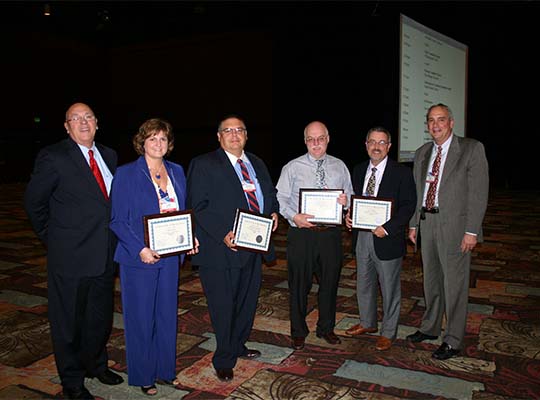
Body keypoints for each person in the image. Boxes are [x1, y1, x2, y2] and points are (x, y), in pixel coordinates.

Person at [24, 102, 123, 400]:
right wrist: (53, 239)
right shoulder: (53, 156)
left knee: (99, 317)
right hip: (70, 256)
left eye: (88, 117)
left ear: (97, 123)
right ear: (66, 127)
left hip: (105, 253)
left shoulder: (109, 155)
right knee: (68, 321)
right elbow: (34, 203)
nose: (83, 122)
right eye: (75, 119)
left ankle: (96, 364)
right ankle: (72, 380)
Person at [186, 114, 279, 382]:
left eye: (239, 130)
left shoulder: (257, 163)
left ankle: (237, 345)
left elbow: (269, 195)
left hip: (253, 246)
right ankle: (224, 358)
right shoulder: (203, 164)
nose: (234, 134)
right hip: (221, 250)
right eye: (228, 130)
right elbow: (198, 206)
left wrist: (273, 213)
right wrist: (222, 233)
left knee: (247, 302)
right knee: (223, 305)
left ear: (246, 135)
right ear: (219, 136)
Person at [110, 119, 199, 395]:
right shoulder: (126, 174)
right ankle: (143, 374)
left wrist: (190, 237)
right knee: (140, 318)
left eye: (163, 139)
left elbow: (182, 211)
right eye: (152, 139)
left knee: (166, 315)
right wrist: (141, 249)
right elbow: (118, 221)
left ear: (169, 143)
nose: (158, 143)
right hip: (139, 257)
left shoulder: (177, 171)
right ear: (142, 142)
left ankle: (164, 371)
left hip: (170, 256)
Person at [406, 103, 489, 360]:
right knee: (431, 280)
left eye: (441, 119)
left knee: (455, 285)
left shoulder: (471, 149)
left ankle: (453, 339)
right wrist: (413, 223)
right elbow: (417, 192)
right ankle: (430, 328)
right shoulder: (421, 153)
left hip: (456, 227)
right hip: (427, 223)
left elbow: (478, 193)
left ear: (451, 122)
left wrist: (472, 231)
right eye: (431, 120)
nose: (436, 124)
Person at [276, 121, 353, 350]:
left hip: (330, 235)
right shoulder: (292, 167)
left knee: (330, 284)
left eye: (320, 138)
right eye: (311, 139)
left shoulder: (340, 166)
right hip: (301, 235)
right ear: (305, 141)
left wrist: (345, 202)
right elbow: (279, 200)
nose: (316, 143)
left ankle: (326, 328)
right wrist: (294, 216)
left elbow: (350, 194)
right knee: (299, 285)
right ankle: (298, 331)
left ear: (328, 139)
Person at [344, 127, 416, 351]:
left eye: (382, 142)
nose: (376, 146)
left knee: (389, 287)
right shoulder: (357, 169)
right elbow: (354, 200)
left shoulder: (402, 172)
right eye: (372, 142)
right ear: (366, 145)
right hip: (362, 236)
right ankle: (367, 323)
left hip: (387, 238)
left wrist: (388, 228)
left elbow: (408, 206)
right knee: (363, 282)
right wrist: (349, 216)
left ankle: (388, 331)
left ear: (389, 147)